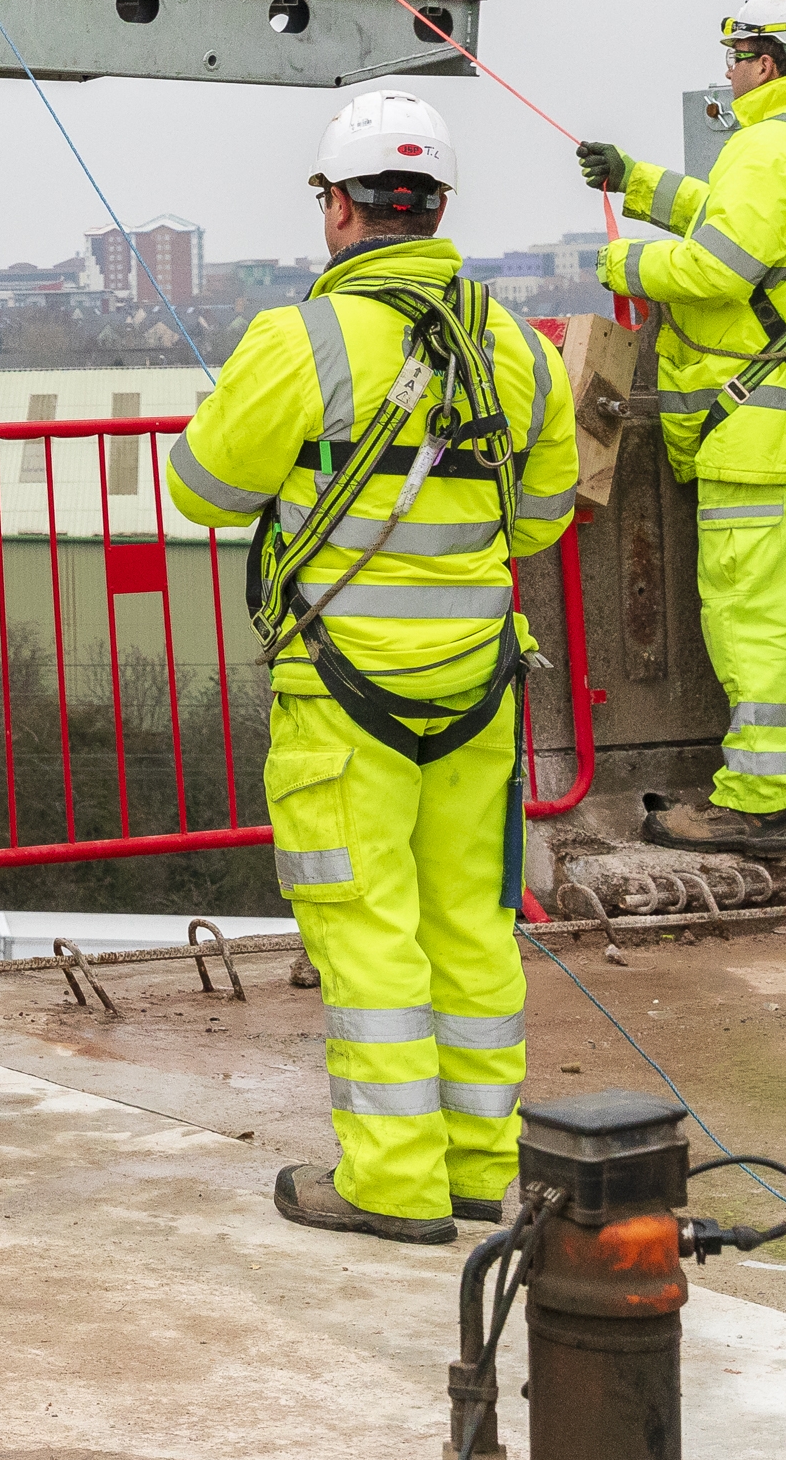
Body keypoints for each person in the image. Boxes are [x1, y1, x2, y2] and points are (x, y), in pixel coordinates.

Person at [165, 90, 579, 1244]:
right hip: (480, 688)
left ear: (340, 207)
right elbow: (541, 518)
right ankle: (475, 1169)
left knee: (366, 927)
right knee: (471, 924)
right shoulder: (520, 347)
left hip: (342, 695)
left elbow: (201, 491)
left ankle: (391, 1184)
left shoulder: (298, 341)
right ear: (438, 205)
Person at [577, 0, 786, 858]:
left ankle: (758, 798)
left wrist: (624, 259)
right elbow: (747, 225)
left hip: (762, 424)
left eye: (735, 56)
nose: (728, 74)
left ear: (764, 61)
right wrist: (637, 182)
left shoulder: (767, 148)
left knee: (749, 609)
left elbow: (722, 266)